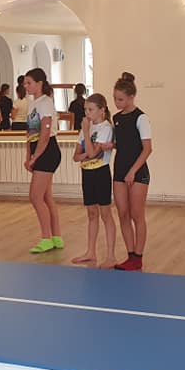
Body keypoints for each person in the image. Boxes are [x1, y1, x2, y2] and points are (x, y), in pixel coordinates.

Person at [111, 73, 153, 271]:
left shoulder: (141, 118)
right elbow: (121, 144)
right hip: (119, 171)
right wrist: (109, 145)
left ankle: (138, 256)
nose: (117, 102)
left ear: (131, 97)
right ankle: (130, 255)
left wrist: (133, 172)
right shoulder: (116, 118)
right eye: (115, 98)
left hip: (137, 173)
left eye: (120, 99)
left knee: (137, 214)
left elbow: (147, 149)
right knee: (123, 213)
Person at [71, 93, 116, 268]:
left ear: (101, 110)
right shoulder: (86, 128)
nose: (87, 113)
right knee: (91, 214)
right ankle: (90, 252)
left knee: (105, 214)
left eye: (90, 110)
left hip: (101, 173)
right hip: (87, 173)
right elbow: (76, 156)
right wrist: (86, 154)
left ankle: (111, 256)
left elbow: (91, 153)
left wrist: (87, 136)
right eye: (85, 110)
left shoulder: (106, 128)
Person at [23, 68, 63, 253]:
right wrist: (28, 156)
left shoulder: (45, 103)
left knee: (35, 196)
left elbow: (45, 135)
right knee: (46, 197)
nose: (26, 86)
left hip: (47, 152)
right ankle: (56, 237)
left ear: (39, 83)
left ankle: (46, 238)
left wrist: (35, 157)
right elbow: (30, 133)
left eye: (29, 83)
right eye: (25, 83)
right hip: (38, 150)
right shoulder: (33, 104)